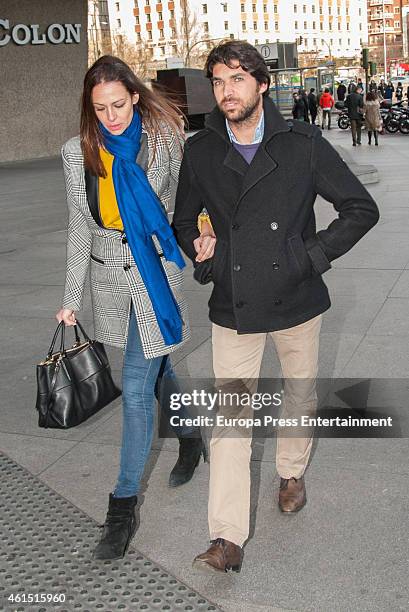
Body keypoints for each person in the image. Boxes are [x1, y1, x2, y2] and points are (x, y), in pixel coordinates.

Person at [173, 41, 379, 573]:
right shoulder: (199, 150)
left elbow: (361, 208)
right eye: (218, 82)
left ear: (262, 84)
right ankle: (226, 536)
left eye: (237, 80)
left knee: (299, 392)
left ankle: (291, 470)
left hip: (295, 295)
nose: (227, 92)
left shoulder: (303, 143)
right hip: (234, 303)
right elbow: (183, 221)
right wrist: (202, 255)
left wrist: (311, 257)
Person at [56, 55, 206, 561]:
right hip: (109, 279)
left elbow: (191, 199)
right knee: (159, 368)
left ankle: (121, 508)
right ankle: (189, 436)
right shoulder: (78, 153)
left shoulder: (164, 141)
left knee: (138, 384)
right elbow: (81, 227)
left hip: (154, 274)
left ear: (135, 97)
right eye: (100, 109)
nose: (111, 117)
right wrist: (70, 300)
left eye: (119, 105)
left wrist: (203, 233)